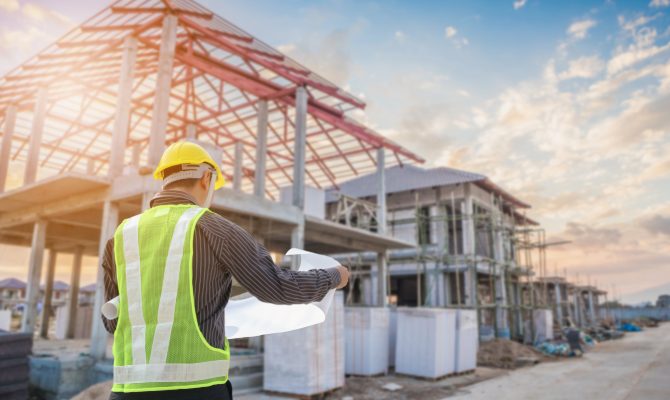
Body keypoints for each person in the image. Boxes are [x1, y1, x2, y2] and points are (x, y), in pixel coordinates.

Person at [101, 141, 350, 400]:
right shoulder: (216, 230)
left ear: (164, 179)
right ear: (206, 178)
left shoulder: (120, 237)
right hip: (197, 392)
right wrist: (334, 276)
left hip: (126, 392)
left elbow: (113, 322)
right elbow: (278, 287)